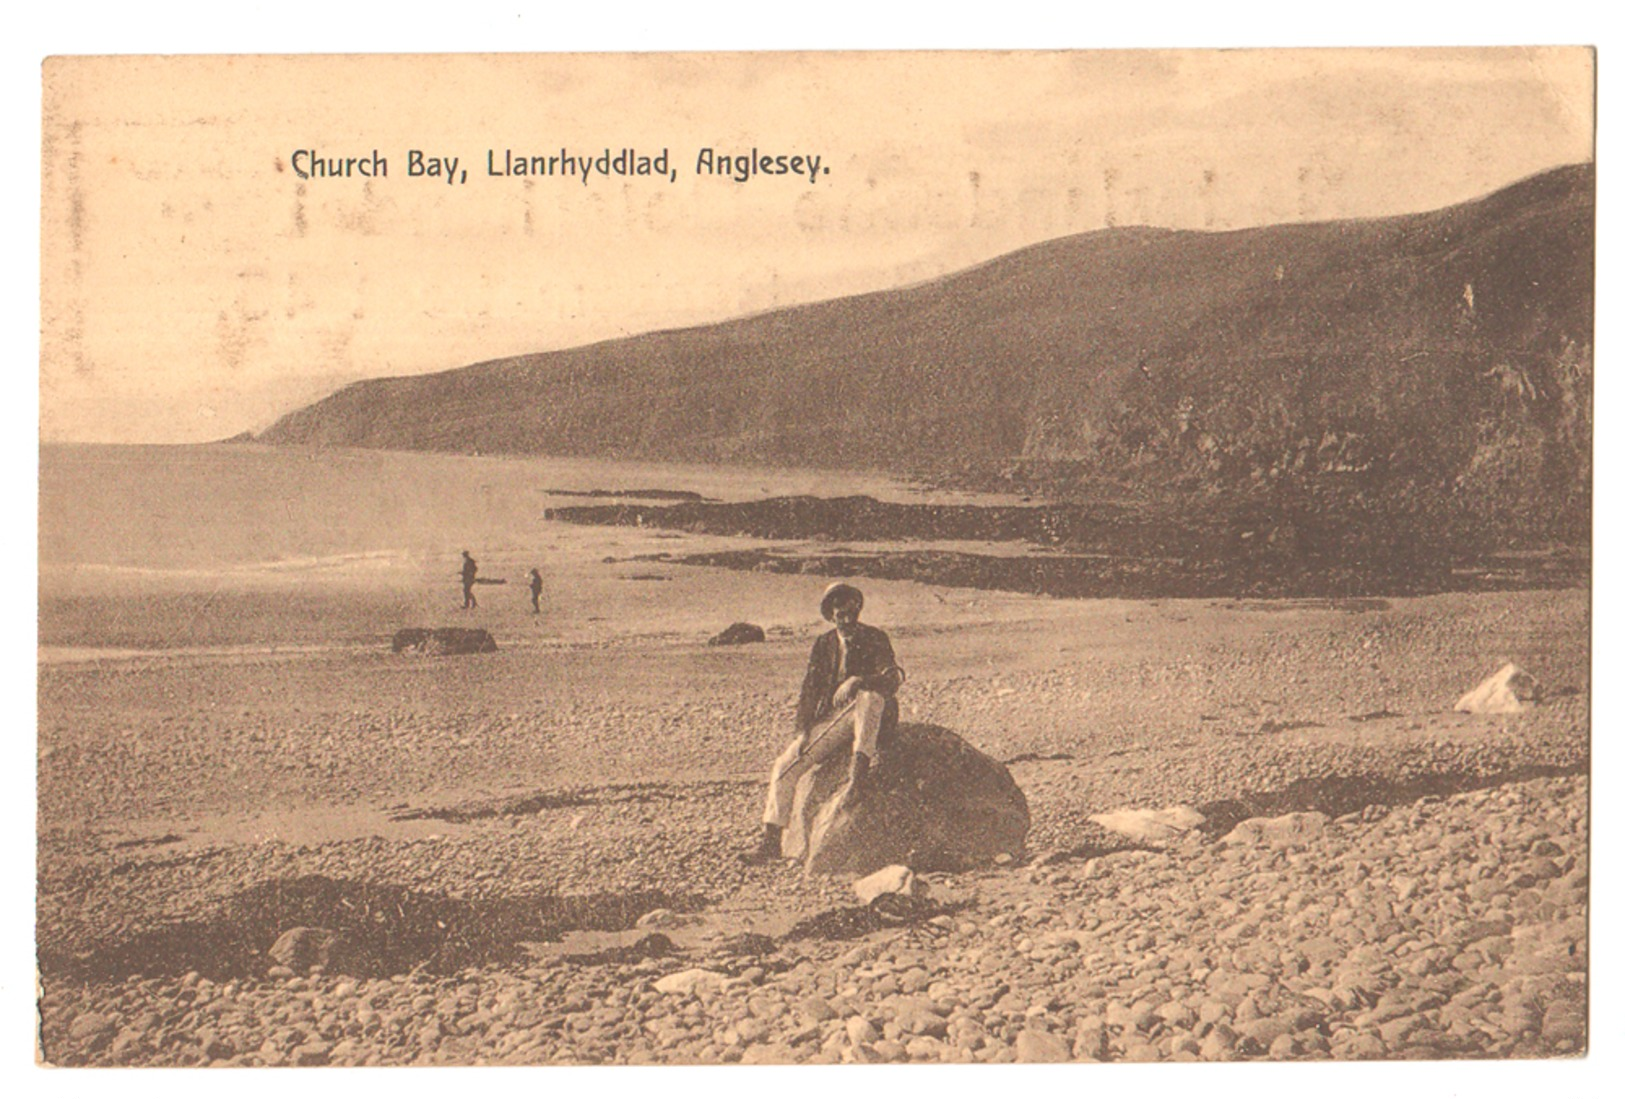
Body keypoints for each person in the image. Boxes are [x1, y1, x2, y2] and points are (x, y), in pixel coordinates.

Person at [744, 582, 905, 864]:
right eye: (840, 613)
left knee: (868, 697)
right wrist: (802, 732)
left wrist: (859, 681)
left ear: (858, 610)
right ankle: (771, 840)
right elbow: (810, 691)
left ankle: (858, 773)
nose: (846, 619)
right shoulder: (824, 644)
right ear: (831, 615)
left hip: (873, 715)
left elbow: (894, 677)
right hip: (836, 720)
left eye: (851, 612)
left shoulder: (875, 637)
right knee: (785, 765)